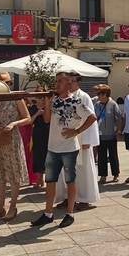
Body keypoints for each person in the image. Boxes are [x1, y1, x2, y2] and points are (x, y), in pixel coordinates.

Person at [32, 71, 96, 228]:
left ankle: (70, 214)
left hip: (69, 148)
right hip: (53, 148)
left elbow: (92, 117)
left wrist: (76, 132)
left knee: (70, 181)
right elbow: (46, 119)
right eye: (56, 80)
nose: (57, 83)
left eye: (60, 81)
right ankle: (48, 213)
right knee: (51, 181)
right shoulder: (54, 101)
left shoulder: (76, 101)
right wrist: (47, 101)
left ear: (69, 83)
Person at [0, 73, 31, 221]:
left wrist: (14, 123)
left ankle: (13, 206)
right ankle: (0, 207)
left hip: (12, 139)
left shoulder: (16, 98)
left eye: (5, 83)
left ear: (9, 84)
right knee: (0, 173)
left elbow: (28, 118)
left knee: (14, 172)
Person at [54, 75, 101, 211]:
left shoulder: (83, 96)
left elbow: (91, 119)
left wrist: (88, 141)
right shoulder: (64, 97)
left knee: (83, 171)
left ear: (77, 82)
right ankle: (69, 198)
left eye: (72, 81)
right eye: (68, 81)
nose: (70, 84)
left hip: (81, 140)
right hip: (67, 141)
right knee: (67, 171)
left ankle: (84, 199)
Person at [93, 85, 123, 184]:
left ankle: (115, 174)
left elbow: (118, 118)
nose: (99, 96)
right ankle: (103, 176)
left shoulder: (113, 104)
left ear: (106, 94)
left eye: (101, 94)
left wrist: (119, 131)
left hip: (111, 135)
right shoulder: (96, 105)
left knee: (113, 155)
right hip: (100, 135)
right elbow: (93, 118)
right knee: (101, 156)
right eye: (98, 94)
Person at [28, 96, 49, 189]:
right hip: (37, 134)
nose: (39, 100)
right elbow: (30, 122)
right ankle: (39, 179)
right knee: (37, 156)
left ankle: (46, 179)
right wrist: (37, 113)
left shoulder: (48, 107)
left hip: (47, 134)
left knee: (46, 156)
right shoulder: (33, 108)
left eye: (41, 98)